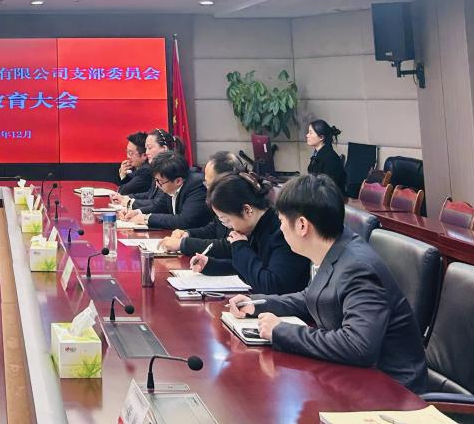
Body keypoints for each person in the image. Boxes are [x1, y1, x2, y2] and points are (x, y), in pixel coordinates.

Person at [227, 174, 426, 391]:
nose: (280, 228)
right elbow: (312, 297)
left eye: (282, 221)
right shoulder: (335, 248)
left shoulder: (358, 268)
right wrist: (257, 304)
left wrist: (281, 331)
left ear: (302, 225)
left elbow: (358, 345)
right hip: (354, 378)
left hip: (392, 391)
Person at [180, 173, 309, 294]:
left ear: (247, 210)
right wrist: (210, 265)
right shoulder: (257, 227)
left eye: (227, 220)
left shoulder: (281, 231)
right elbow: (249, 269)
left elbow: (271, 285)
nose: (228, 227)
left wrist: (241, 247)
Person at [159, 151, 245, 257]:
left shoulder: (242, 204)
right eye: (206, 183)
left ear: (228, 180)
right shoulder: (224, 200)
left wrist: (182, 244)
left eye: (210, 184)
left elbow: (229, 246)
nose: (207, 189)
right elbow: (214, 228)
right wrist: (187, 233)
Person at [120, 151, 211, 231]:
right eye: (156, 180)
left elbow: (185, 221)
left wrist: (147, 218)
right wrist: (137, 212)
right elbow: (159, 206)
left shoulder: (196, 185)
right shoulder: (169, 183)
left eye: (160, 181)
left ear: (178, 181)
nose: (157, 184)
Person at [117, 128, 176, 216]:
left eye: (150, 148)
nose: (147, 152)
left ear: (164, 148)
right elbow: (150, 194)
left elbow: (160, 205)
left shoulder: (172, 171)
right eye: (146, 148)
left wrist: (130, 203)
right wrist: (127, 199)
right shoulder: (157, 168)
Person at [306, 119, 347, 193]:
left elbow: (329, 187)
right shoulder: (318, 154)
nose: (307, 135)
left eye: (310, 133)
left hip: (329, 197)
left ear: (321, 137)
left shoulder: (330, 158)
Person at [117, 131, 152, 197]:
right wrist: (124, 175)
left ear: (144, 156)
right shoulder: (137, 167)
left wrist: (122, 176)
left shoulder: (145, 171)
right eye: (127, 152)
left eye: (131, 153)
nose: (128, 156)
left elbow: (122, 191)